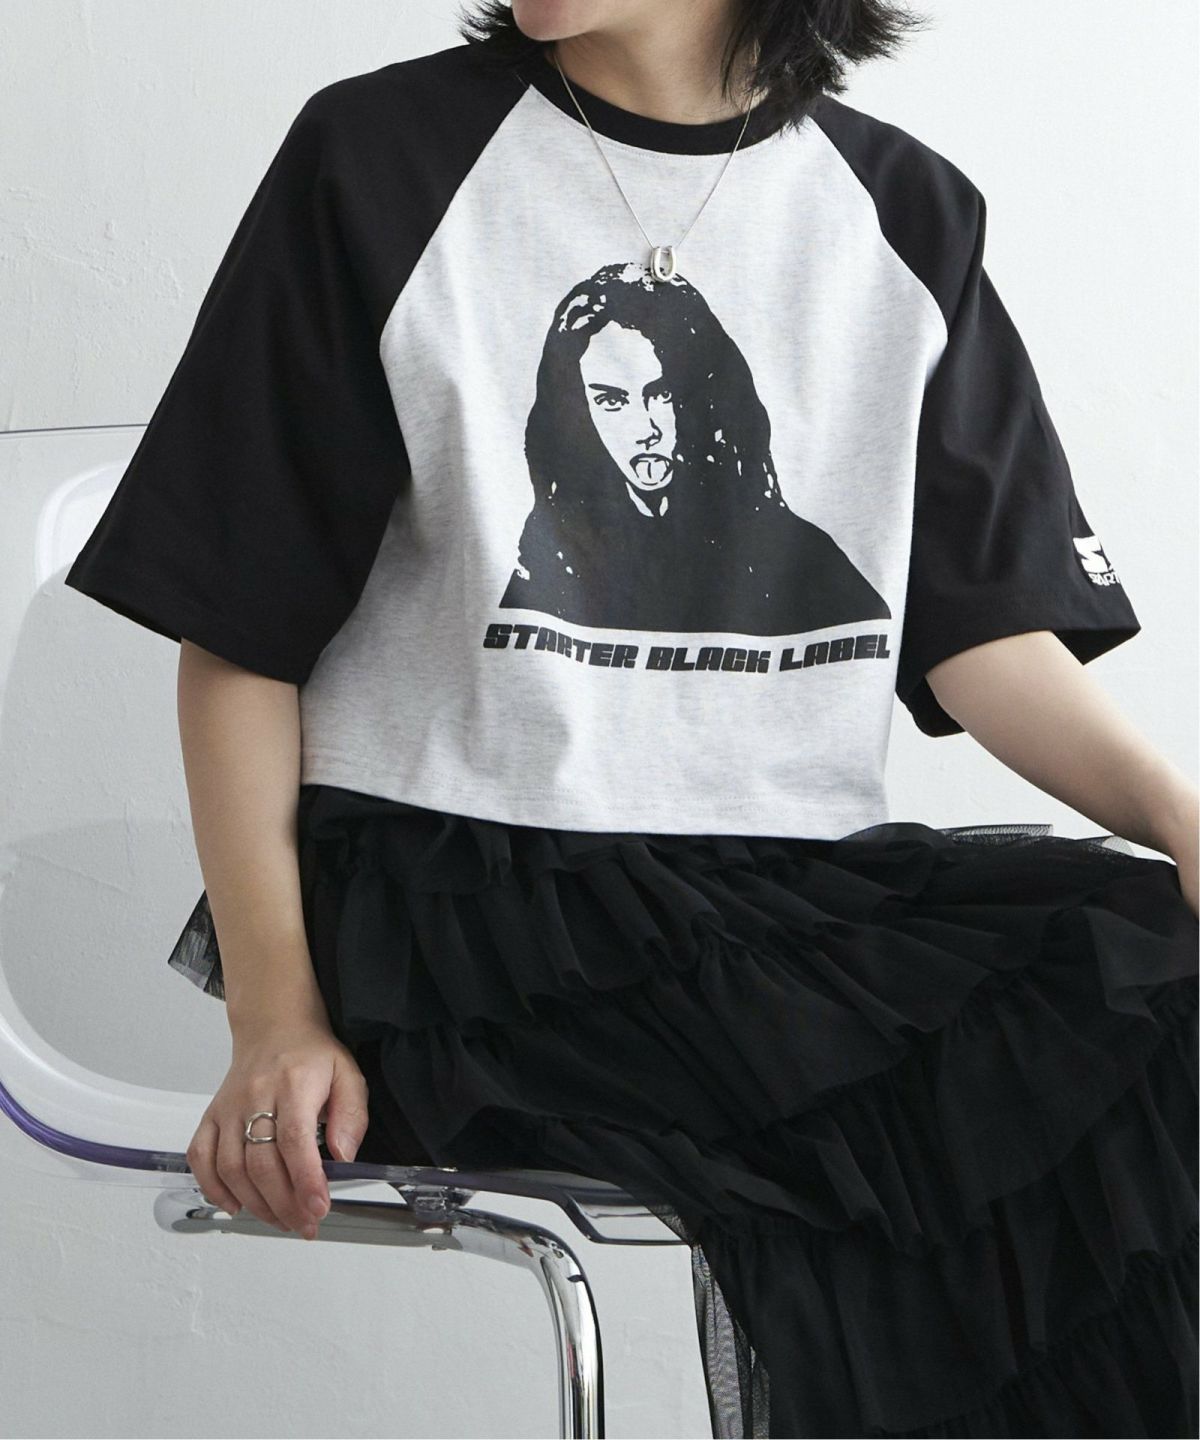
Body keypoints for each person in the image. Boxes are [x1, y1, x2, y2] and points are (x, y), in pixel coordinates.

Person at [63, 1, 1199, 1434]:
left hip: (776, 899)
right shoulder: (382, 160)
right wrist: (273, 1015)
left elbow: (988, 639)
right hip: (465, 901)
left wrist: (1183, 821)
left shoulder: (903, 210)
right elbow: (238, 630)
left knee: (1158, 989)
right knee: (925, 1130)